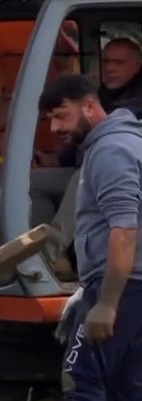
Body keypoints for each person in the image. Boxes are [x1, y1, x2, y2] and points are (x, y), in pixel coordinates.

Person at [38, 74, 142, 401]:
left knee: (81, 373)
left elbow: (123, 230)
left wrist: (106, 303)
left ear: (88, 106)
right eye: (49, 119)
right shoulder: (122, 143)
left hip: (125, 285)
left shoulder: (112, 152)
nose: (55, 128)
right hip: (131, 285)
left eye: (61, 115)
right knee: (126, 381)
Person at [32, 37, 142, 274]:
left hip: (122, 169)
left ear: (137, 66)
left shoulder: (131, 105)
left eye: (119, 63)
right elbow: (81, 133)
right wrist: (59, 160)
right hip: (87, 163)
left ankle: (50, 256)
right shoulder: (98, 93)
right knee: (36, 182)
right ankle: (32, 246)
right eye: (106, 62)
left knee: (80, 179)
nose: (110, 68)